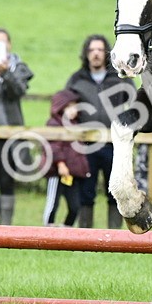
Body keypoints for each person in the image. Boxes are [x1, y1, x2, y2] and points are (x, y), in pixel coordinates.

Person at [65, 34, 135, 228]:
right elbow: (63, 102)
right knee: (86, 192)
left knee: (115, 192)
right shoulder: (77, 79)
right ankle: (85, 236)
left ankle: (114, 237)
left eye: (99, 50)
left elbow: (135, 101)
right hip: (85, 145)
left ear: (106, 54)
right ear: (86, 54)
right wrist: (68, 108)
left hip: (115, 144)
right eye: (91, 50)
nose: (95, 54)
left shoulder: (120, 78)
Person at [0, 28, 33, 225]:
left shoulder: (19, 67)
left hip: (11, 133)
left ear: (9, 45)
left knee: (7, 179)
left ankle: (6, 227)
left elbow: (18, 92)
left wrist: (7, 74)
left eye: (3, 43)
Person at [42, 89, 90, 227]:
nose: (73, 110)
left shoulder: (76, 125)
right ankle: (47, 229)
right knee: (52, 203)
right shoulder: (53, 124)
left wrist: (82, 168)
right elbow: (53, 146)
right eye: (69, 106)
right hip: (57, 173)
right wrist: (60, 163)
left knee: (75, 206)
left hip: (72, 174)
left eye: (75, 106)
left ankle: (66, 230)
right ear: (60, 107)